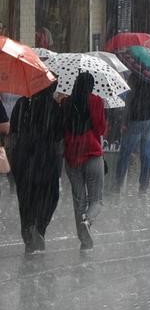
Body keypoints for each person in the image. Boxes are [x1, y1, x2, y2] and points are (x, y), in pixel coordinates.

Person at [9, 83, 64, 253]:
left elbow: (13, 131)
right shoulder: (54, 106)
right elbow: (59, 136)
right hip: (45, 159)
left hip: (22, 159)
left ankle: (28, 232)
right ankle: (40, 226)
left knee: (26, 199)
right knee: (50, 195)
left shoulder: (21, 104)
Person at [62, 72, 107, 250]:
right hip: (93, 152)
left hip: (72, 156)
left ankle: (84, 241)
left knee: (78, 200)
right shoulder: (96, 101)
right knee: (96, 200)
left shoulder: (66, 103)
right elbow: (101, 128)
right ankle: (87, 221)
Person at [113, 74, 150, 194]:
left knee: (125, 153)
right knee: (147, 154)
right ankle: (143, 187)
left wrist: (124, 120)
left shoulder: (135, 76)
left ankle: (118, 185)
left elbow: (128, 100)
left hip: (136, 120)